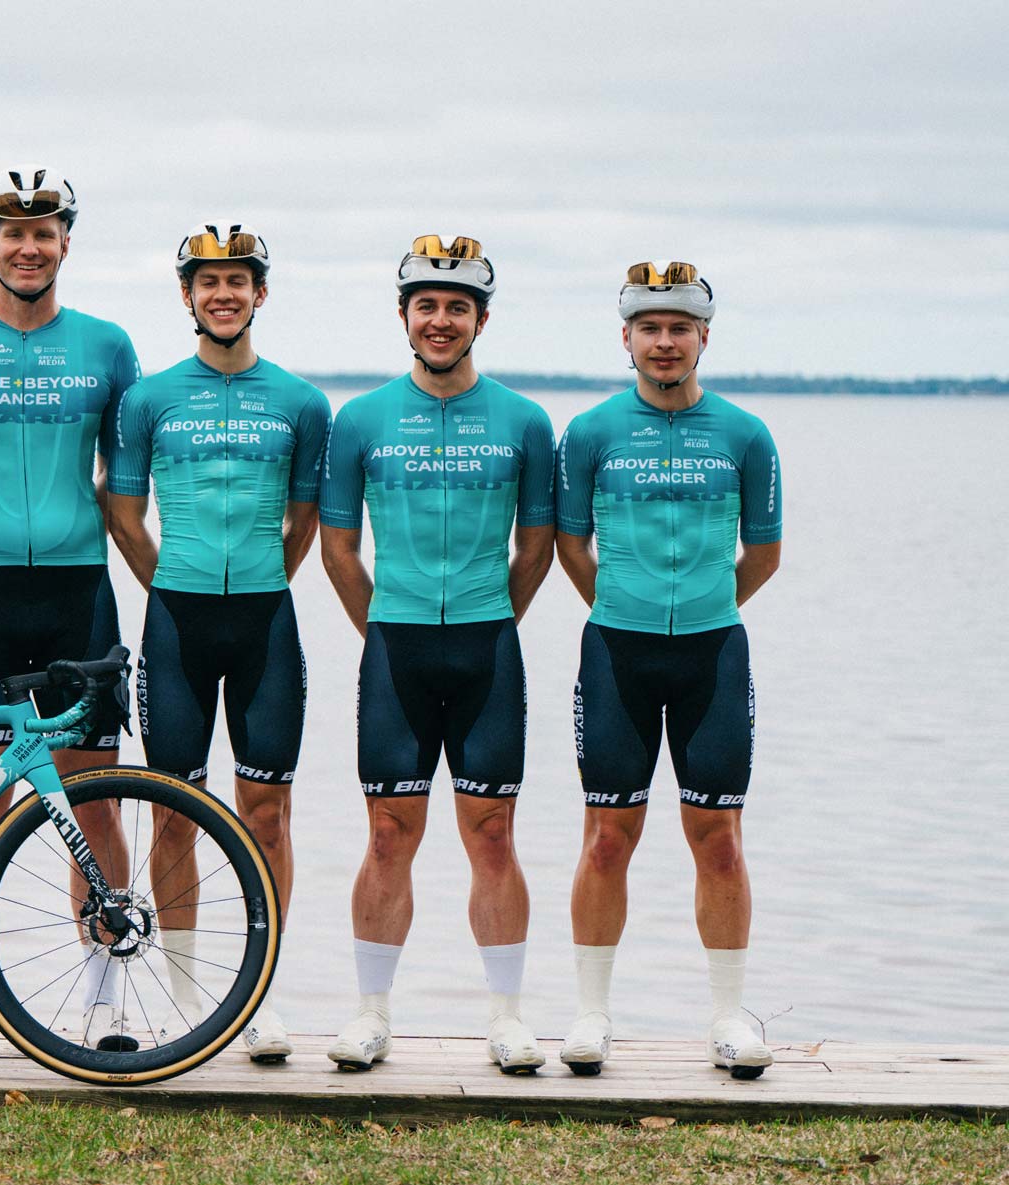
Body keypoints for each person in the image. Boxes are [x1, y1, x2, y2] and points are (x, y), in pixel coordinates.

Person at [0, 166, 140, 1059]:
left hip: (80, 593)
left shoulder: (108, 346)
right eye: (14, 233)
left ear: (66, 243)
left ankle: (105, 995)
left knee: (98, 801)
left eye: (45, 231)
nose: (29, 246)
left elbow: (123, 486)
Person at [317, 236, 556, 1073]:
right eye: (428, 305)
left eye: (458, 306)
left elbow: (539, 546)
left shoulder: (526, 421)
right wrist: (384, 627)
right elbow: (338, 551)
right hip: (395, 649)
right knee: (388, 833)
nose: (442, 319)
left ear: (481, 319)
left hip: (488, 645)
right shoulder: (361, 420)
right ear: (404, 316)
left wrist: (494, 619)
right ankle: (370, 1012)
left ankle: (507, 1017)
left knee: (492, 833)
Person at [554, 261, 782, 1079]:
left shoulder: (746, 435)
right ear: (626, 339)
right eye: (649, 328)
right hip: (617, 648)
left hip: (714, 652)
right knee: (607, 837)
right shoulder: (589, 432)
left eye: (678, 327)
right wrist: (622, 601)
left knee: (718, 840)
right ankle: (590, 1014)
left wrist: (709, 605)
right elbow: (568, 545)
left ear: (703, 339)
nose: (664, 341)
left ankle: (727, 1018)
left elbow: (764, 553)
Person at [108, 221, 328, 1060]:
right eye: (209, 282)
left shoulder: (303, 403)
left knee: (267, 814)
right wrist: (174, 582)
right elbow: (123, 513)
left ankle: (258, 995)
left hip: (267, 621)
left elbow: (304, 521)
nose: (224, 293)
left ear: (260, 294)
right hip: (176, 620)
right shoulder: (149, 399)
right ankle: (190, 994)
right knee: (174, 814)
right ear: (188, 296)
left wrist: (260, 578)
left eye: (239, 281)